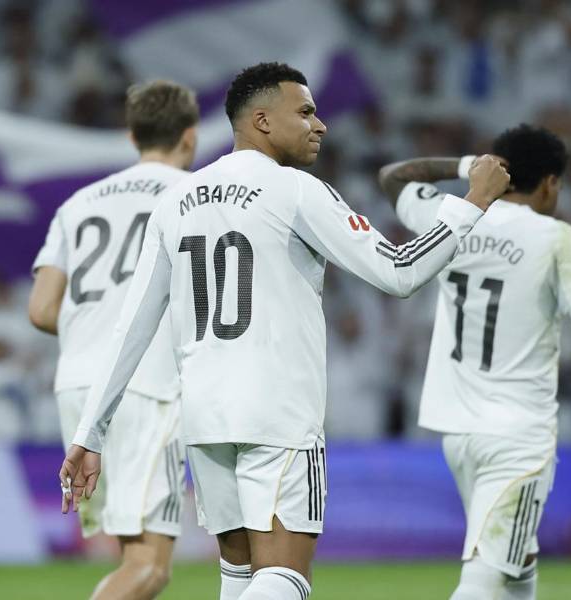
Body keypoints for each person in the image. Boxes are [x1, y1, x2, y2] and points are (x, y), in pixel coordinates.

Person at [58, 62, 509, 600]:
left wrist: (91, 432)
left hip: (203, 416)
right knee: (285, 577)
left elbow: (130, 327)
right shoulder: (295, 189)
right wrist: (473, 202)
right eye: (306, 112)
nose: (320, 125)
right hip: (278, 411)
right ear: (263, 121)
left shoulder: (177, 200)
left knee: (242, 576)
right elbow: (400, 270)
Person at [378, 124, 571, 600]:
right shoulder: (556, 237)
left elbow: (392, 177)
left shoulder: (455, 216)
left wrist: (469, 168)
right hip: (516, 435)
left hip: (458, 432)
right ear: (551, 182)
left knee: (517, 560)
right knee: (486, 575)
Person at [28, 80, 199, 600]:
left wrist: (95, 328)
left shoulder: (78, 203)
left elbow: (40, 309)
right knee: (150, 566)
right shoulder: (193, 196)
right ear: (190, 139)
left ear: (132, 136)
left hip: (78, 387)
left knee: (131, 554)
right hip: (145, 385)